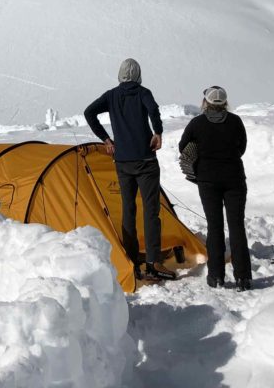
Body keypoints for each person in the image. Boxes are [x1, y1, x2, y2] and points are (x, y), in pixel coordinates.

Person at [84, 58, 177, 281]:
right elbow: (153, 110)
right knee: (151, 210)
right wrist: (158, 132)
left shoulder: (111, 95)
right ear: (138, 75)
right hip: (145, 160)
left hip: (122, 161)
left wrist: (106, 139)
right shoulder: (143, 92)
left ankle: (131, 261)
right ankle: (153, 263)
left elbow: (89, 113)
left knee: (128, 210)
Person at [179, 86, 251, 290]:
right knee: (237, 226)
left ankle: (216, 276)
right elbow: (242, 147)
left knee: (215, 226)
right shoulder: (235, 121)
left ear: (206, 102)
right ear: (225, 103)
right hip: (234, 179)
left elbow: (183, 148)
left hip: (207, 180)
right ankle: (243, 277)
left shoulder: (197, 123)